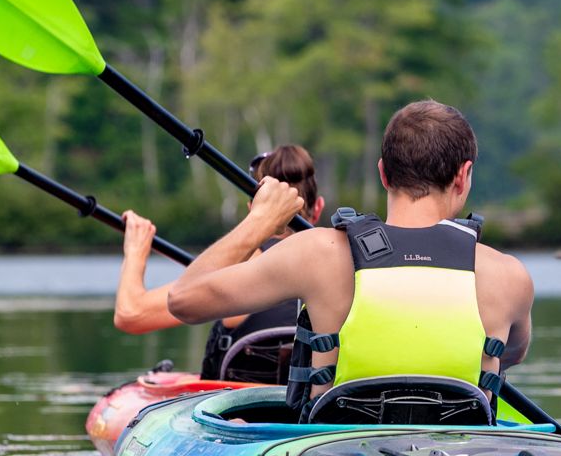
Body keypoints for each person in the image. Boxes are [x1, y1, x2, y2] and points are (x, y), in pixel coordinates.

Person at [163, 101, 533, 408]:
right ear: (464, 176)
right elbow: (512, 354)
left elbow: (182, 301)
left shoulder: (318, 253)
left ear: (384, 174)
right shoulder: (509, 276)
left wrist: (259, 221)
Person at [113, 144, 324, 382]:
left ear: (254, 210)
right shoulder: (340, 266)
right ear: (317, 208)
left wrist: (135, 251)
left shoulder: (239, 273)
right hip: (311, 411)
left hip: (236, 414)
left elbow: (130, 314)